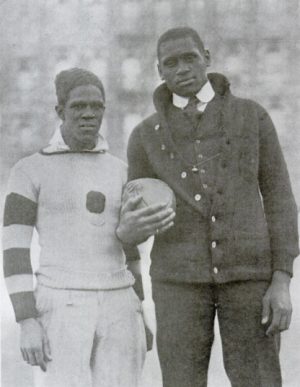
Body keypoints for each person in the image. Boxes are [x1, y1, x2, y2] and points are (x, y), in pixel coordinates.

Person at [117, 27, 299, 387]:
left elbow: (280, 199)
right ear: (159, 71)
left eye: (190, 58)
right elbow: (133, 210)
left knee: (258, 380)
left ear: (207, 58)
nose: (182, 68)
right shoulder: (144, 136)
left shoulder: (253, 117)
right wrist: (133, 228)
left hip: (250, 279)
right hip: (177, 283)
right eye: (171, 63)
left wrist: (282, 280)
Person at [2, 67, 174, 387]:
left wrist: (139, 309)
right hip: (60, 304)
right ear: (60, 111)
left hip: (120, 305)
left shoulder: (120, 171)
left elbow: (130, 251)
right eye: (78, 106)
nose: (88, 114)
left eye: (96, 107)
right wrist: (27, 320)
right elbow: (14, 251)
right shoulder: (28, 170)